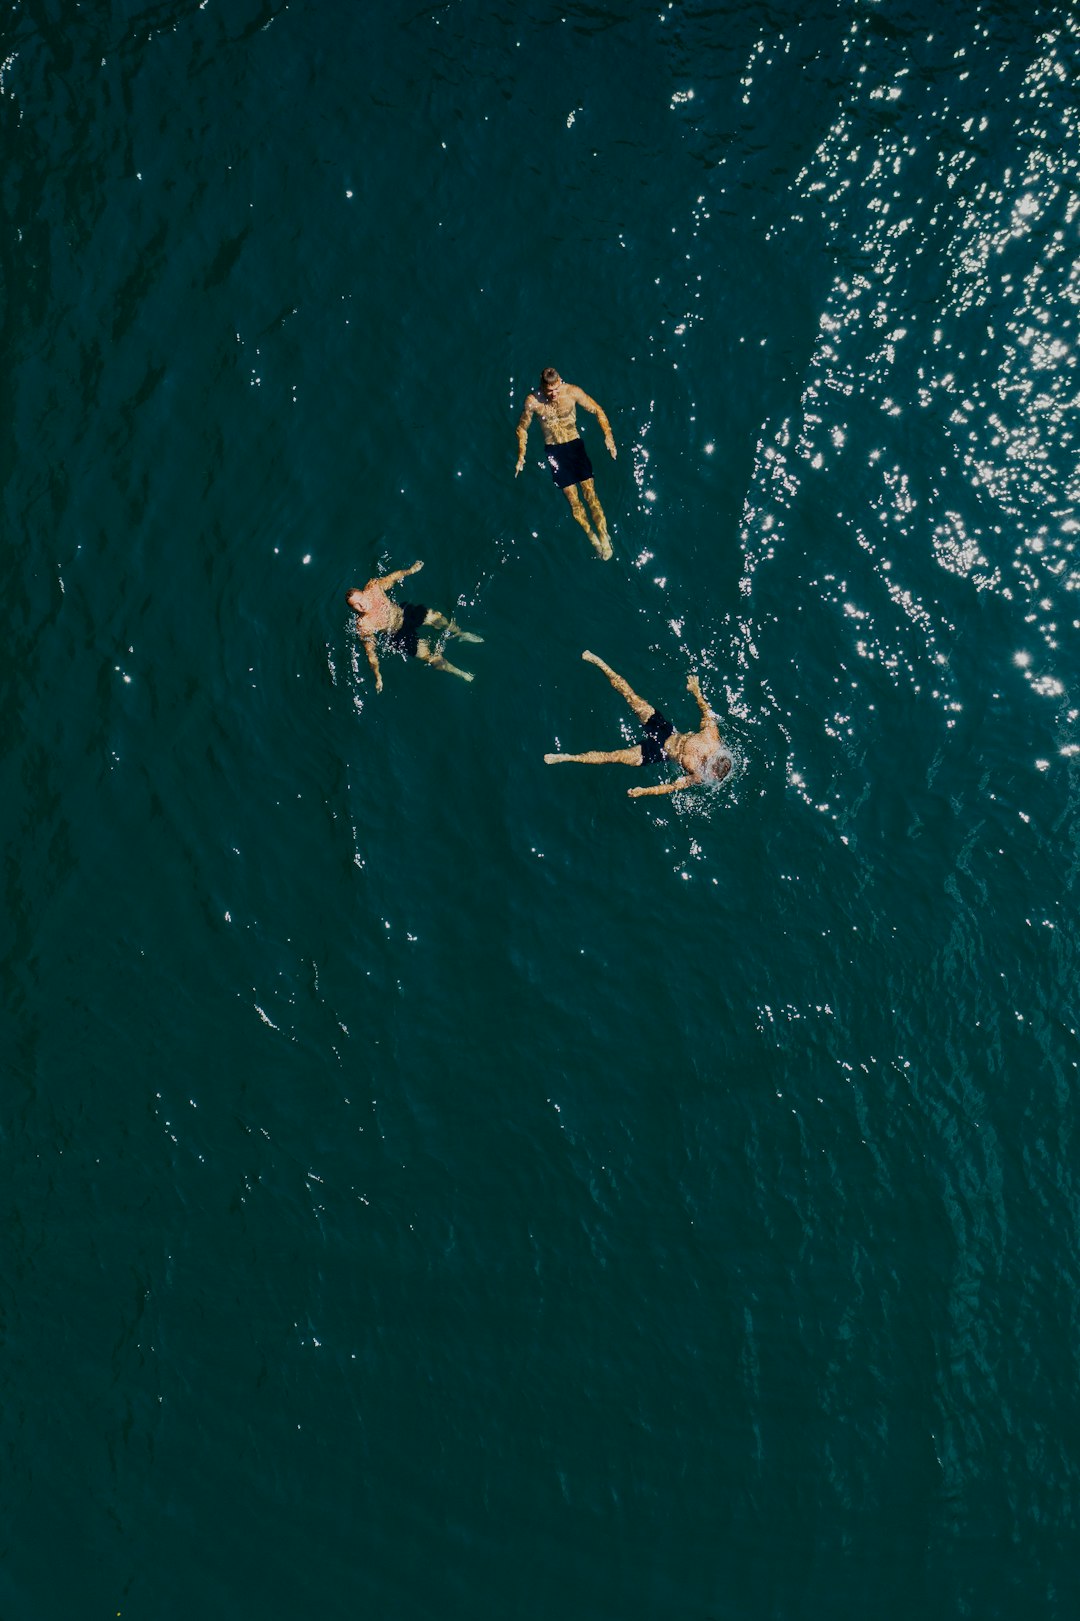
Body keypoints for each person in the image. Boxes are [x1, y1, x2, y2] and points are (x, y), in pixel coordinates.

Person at [544, 650, 731, 797]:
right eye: (712, 772)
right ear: (716, 758)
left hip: (658, 753)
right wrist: (696, 691)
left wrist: (644, 791)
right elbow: (706, 713)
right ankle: (601, 664)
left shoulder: (700, 776)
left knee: (614, 756)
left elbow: (673, 786)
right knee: (631, 697)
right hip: (666, 731)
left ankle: (566, 757)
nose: (710, 775)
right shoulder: (711, 737)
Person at [515, 367, 617, 559]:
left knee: (590, 495)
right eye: (549, 391)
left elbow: (597, 409)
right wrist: (522, 454)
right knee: (574, 502)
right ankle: (592, 536)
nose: (553, 394)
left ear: (560, 381)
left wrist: (608, 436)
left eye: (556, 389)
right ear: (541, 386)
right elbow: (522, 428)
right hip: (554, 451)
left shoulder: (572, 392)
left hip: (575, 446)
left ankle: (604, 536)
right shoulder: (533, 402)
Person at [346, 560, 480, 691]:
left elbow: (392, 577)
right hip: (398, 634)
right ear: (354, 609)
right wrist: (378, 675)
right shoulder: (364, 624)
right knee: (430, 658)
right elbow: (370, 652)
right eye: (356, 605)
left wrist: (410, 570)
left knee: (436, 616)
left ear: (363, 593)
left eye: (361, 599)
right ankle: (460, 673)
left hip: (405, 615)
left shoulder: (374, 587)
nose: (362, 605)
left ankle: (461, 634)